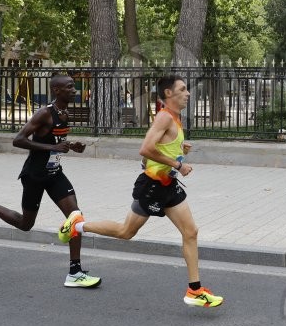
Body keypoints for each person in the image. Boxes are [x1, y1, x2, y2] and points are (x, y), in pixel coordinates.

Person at [59, 74, 224, 307]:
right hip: (153, 187)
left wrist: (180, 152)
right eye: (183, 89)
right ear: (169, 94)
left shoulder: (175, 119)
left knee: (191, 232)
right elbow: (145, 149)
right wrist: (178, 164)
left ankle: (195, 291)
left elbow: (158, 153)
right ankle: (76, 225)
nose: (188, 93)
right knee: (126, 232)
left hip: (168, 186)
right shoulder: (164, 118)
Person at [0, 74, 101, 288]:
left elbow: (53, 139)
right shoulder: (44, 113)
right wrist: (53, 147)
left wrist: (70, 145)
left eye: (73, 87)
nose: (74, 90)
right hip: (34, 175)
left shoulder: (65, 113)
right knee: (26, 224)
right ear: (57, 90)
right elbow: (18, 140)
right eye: (70, 87)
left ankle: (75, 272)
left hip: (54, 173)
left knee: (75, 218)